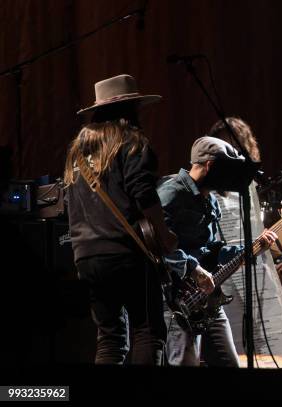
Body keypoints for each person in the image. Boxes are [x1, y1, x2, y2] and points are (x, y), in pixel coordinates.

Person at [64, 74, 177, 365]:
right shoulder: (132, 141)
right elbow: (144, 193)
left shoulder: (78, 151)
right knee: (147, 332)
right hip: (126, 252)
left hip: (86, 256)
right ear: (131, 110)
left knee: (110, 339)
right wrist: (163, 234)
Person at [157, 135, 277, 366]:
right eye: (227, 170)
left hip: (208, 300)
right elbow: (158, 243)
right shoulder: (171, 192)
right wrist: (193, 269)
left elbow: (212, 252)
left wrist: (252, 248)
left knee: (228, 363)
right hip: (177, 300)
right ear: (210, 165)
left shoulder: (210, 201)